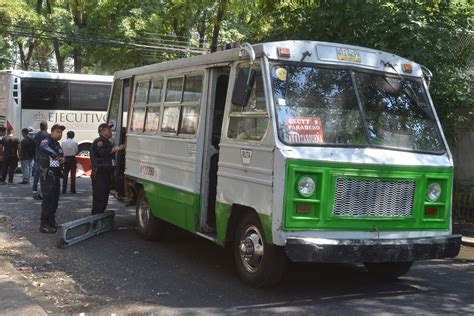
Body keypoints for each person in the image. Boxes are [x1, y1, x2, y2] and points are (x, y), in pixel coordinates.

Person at [90, 123, 126, 215]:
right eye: (108, 129)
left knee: (104, 198)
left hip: (106, 174)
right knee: (99, 199)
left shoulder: (107, 141)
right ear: (102, 131)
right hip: (99, 174)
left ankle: (99, 219)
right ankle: (95, 221)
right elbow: (103, 153)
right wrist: (119, 148)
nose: (110, 131)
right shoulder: (100, 141)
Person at [38, 124, 65, 234]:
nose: (60, 134)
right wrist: (55, 155)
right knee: (48, 199)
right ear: (52, 132)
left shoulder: (57, 144)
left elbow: (61, 155)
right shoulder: (46, 141)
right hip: (47, 175)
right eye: (58, 132)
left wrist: (62, 159)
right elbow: (44, 148)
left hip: (56, 174)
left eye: (61, 132)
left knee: (54, 200)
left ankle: (51, 221)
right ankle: (43, 225)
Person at [32, 121, 49, 199]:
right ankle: (44, 189)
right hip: (45, 157)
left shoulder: (36, 135)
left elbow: (34, 145)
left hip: (38, 155)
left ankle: (34, 189)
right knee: (45, 174)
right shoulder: (48, 135)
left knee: (37, 173)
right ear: (46, 127)